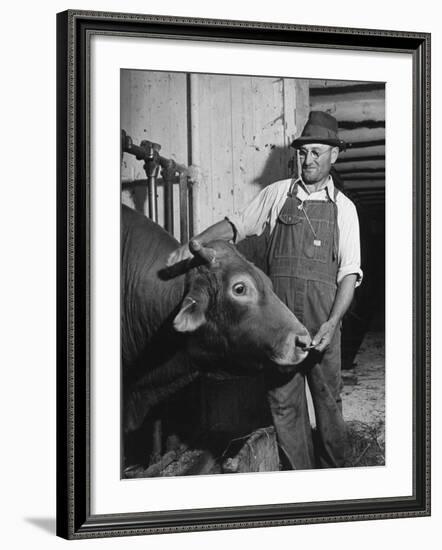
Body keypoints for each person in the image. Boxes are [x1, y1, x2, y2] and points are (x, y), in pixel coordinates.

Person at [168, 111, 362, 470]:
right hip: (279, 323)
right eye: (304, 152)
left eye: (318, 152)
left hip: (323, 323)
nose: (309, 160)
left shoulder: (345, 211)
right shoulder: (276, 195)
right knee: (284, 406)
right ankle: (299, 483)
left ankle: (336, 483)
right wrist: (196, 241)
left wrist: (333, 322)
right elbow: (237, 225)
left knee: (328, 403)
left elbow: (349, 274)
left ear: (334, 155)